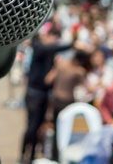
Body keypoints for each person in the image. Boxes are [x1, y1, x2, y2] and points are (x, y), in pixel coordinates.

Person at [20, 27, 74, 163]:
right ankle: (23, 154)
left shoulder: (49, 53)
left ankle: (31, 155)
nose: (54, 42)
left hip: (44, 94)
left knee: (38, 126)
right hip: (34, 93)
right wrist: (72, 44)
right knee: (31, 126)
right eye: (53, 38)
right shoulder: (39, 47)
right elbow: (51, 49)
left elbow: (50, 78)